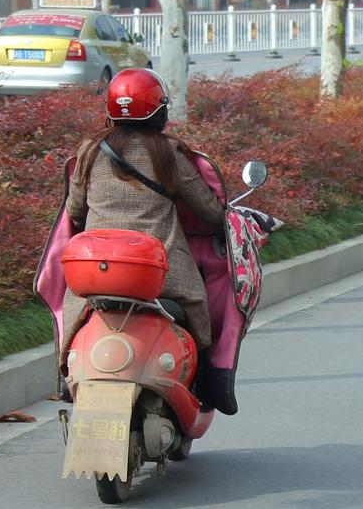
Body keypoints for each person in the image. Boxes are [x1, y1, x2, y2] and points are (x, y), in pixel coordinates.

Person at [61, 68, 238, 414]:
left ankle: (64, 375)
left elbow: (75, 210)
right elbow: (210, 212)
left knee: (71, 311)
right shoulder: (168, 152)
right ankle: (208, 382)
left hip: (96, 271)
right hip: (159, 273)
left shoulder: (90, 151)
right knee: (199, 307)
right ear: (160, 112)